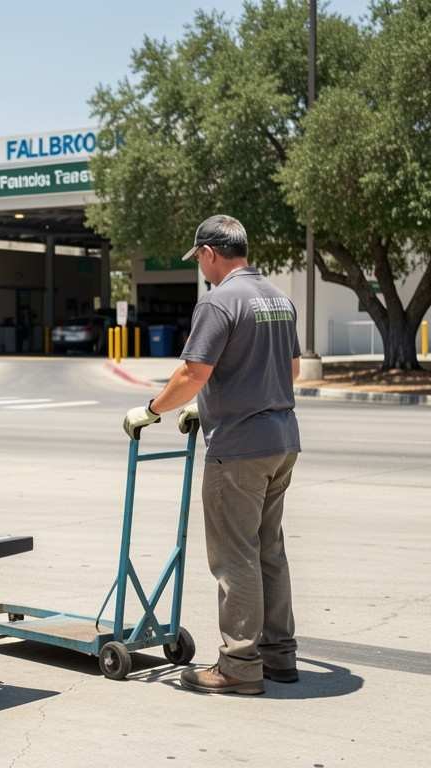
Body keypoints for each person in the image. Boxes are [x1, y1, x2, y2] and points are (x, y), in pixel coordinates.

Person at [123, 214, 301, 696]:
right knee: (269, 550)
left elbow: (192, 374)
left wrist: (151, 410)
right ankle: (278, 655)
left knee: (235, 555)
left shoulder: (218, 302)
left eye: (199, 257)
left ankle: (239, 666)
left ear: (209, 253)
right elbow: (291, 369)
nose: (201, 265)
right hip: (282, 441)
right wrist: (212, 406)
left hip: (239, 450)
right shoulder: (280, 299)